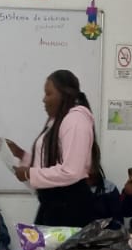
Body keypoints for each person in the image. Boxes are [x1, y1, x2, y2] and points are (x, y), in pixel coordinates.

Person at [6, 70, 99, 227]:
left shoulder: (76, 120)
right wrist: (21, 155)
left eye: (49, 93)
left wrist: (29, 173)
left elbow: (71, 171)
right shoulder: (57, 120)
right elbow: (49, 161)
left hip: (69, 208)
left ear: (64, 94)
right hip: (53, 205)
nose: (44, 99)